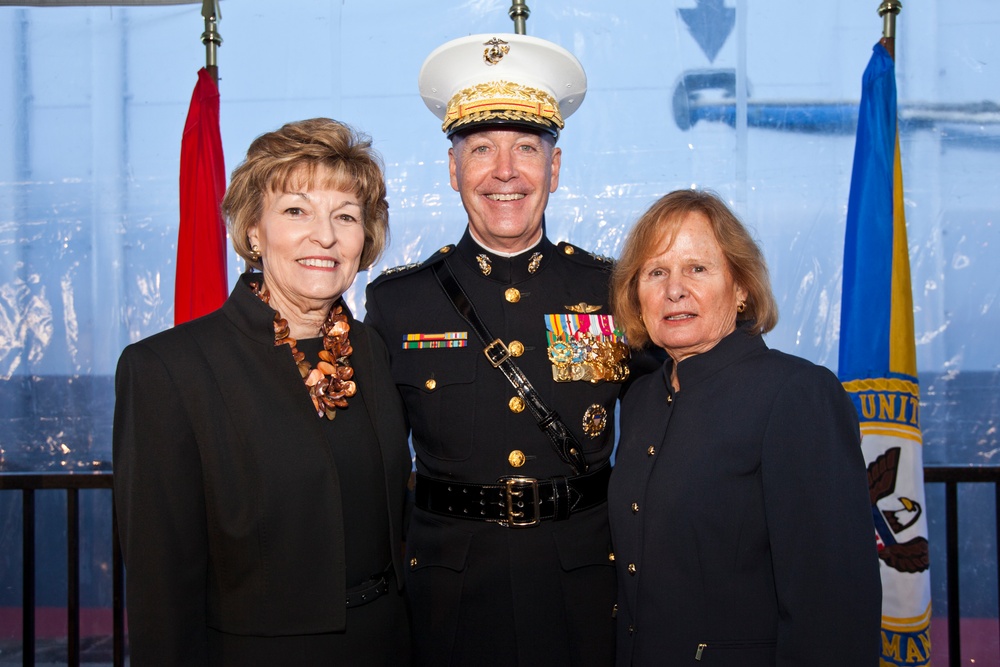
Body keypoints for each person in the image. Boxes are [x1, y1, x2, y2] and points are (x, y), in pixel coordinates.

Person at [365, 33, 654, 666]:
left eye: (526, 148)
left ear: (555, 168)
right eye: (481, 150)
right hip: (450, 589)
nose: (505, 171)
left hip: (582, 581)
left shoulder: (612, 291)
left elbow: (675, 414)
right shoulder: (399, 304)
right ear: (452, 170)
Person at [113, 118, 412, 666]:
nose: (324, 235)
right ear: (253, 230)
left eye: (345, 216)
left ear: (363, 239)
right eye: (296, 210)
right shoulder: (167, 369)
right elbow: (162, 585)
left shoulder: (375, 352)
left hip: (387, 645)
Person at [607, 189, 882, 666]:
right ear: (637, 294)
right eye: (656, 272)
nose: (674, 289)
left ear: (741, 289)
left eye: (697, 268)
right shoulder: (641, 400)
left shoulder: (797, 393)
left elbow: (833, 604)